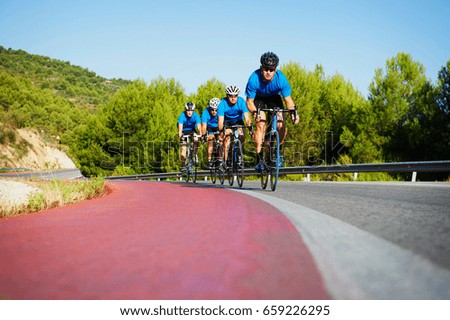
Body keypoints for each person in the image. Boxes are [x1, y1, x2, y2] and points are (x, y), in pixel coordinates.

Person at [245, 51, 299, 170]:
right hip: (259, 99)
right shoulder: (254, 78)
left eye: (271, 69)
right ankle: (259, 159)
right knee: (261, 123)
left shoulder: (281, 79)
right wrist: (255, 113)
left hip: (274, 98)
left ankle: (277, 152)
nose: (268, 72)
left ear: (275, 69)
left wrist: (294, 115)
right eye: (266, 69)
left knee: (281, 123)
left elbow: (288, 100)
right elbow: (249, 102)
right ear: (261, 68)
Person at [217, 85, 253, 166]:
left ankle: (239, 155)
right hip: (227, 122)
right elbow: (220, 121)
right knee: (227, 140)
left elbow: (247, 118)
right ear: (227, 96)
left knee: (242, 136)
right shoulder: (222, 103)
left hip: (238, 121)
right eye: (230, 96)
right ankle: (225, 161)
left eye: (235, 96)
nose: (233, 98)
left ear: (238, 96)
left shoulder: (241, 102)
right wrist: (222, 131)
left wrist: (250, 128)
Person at [177, 101, 201, 169]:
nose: (189, 112)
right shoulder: (182, 116)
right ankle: (183, 165)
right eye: (188, 110)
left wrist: (201, 134)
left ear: (193, 110)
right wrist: (180, 136)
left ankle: (194, 154)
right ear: (185, 110)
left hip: (192, 130)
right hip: (183, 131)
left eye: (191, 110)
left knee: (196, 139)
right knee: (183, 149)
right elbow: (180, 128)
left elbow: (199, 127)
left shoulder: (196, 116)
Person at [201, 97, 221, 169]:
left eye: (216, 110)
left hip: (219, 126)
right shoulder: (205, 112)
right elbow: (203, 126)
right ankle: (209, 160)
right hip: (210, 127)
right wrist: (203, 135)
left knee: (221, 141)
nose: (214, 112)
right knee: (210, 140)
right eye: (212, 109)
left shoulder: (221, 111)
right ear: (209, 108)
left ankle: (220, 159)